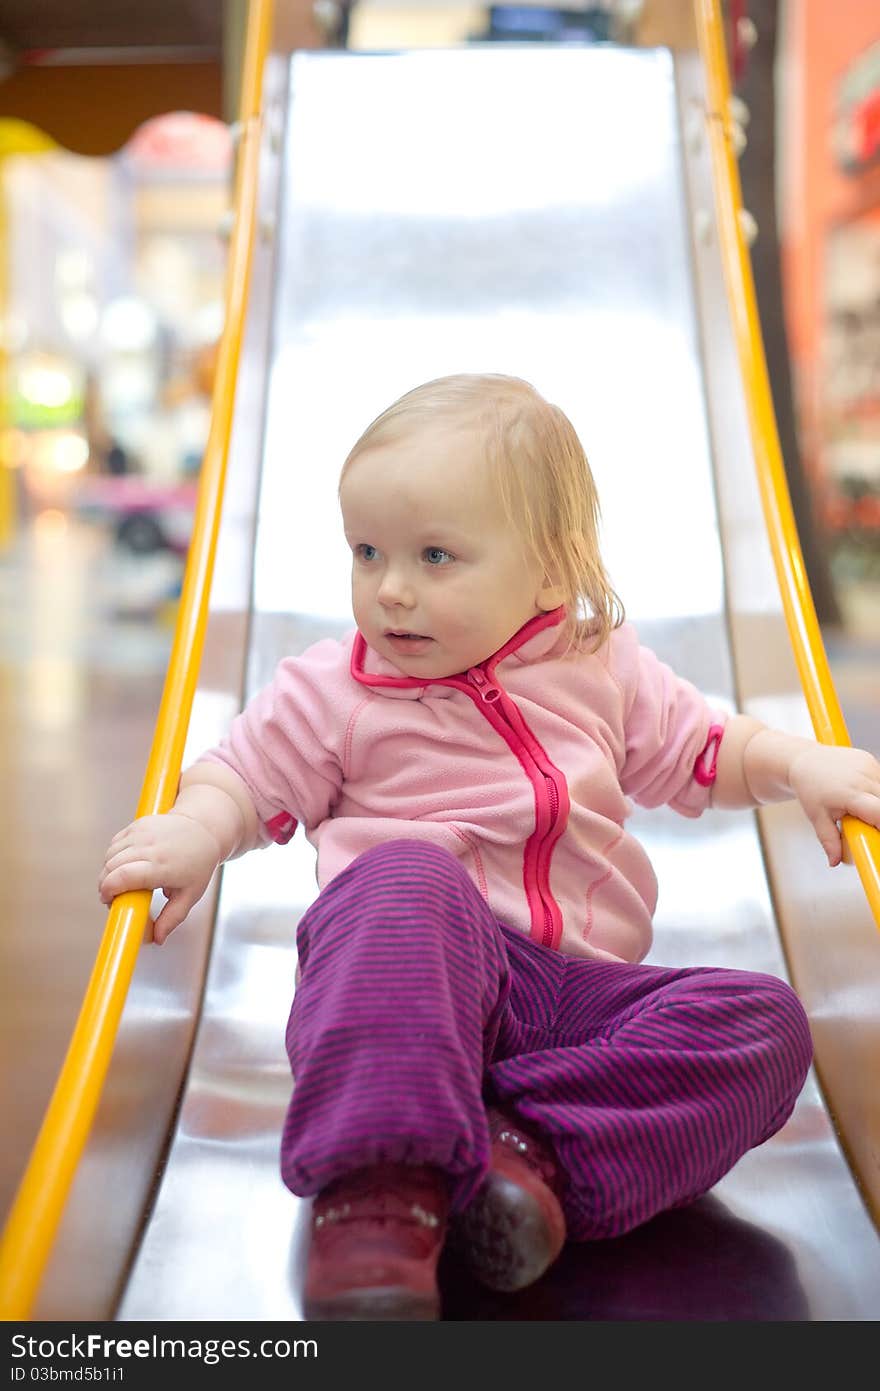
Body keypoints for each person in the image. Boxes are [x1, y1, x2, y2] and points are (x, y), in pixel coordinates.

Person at [99, 373, 879, 1321]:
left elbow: (710, 750)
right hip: (405, 983)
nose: (391, 589)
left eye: (436, 556)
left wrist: (801, 766)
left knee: (764, 1024)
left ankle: (525, 1159)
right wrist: (192, 830)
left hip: (572, 999)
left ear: (550, 571)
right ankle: (379, 1199)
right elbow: (243, 773)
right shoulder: (335, 690)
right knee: (406, 873)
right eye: (368, 552)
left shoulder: (600, 666)